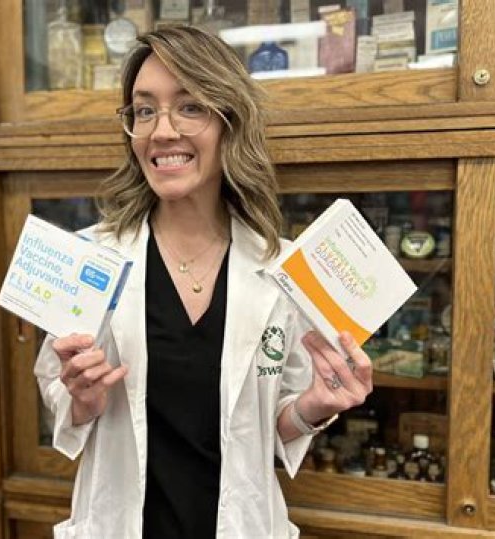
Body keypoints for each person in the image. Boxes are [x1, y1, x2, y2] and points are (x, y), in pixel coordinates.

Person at [34, 25, 373, 539]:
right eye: (144, 110)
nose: (162, 131)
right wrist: (81, 398)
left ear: (229, 122)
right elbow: (56, 393)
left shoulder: (282, 269)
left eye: (190, 107)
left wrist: (314, 407)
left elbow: (274, 423)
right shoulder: (88, 260)